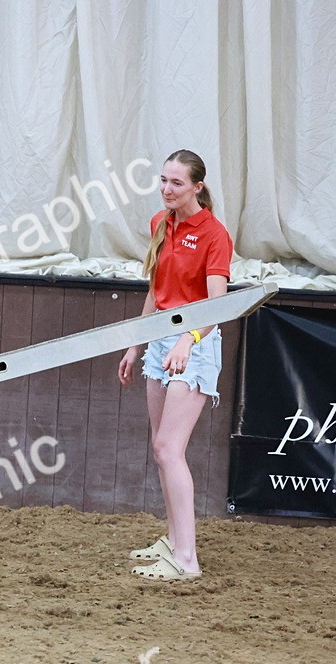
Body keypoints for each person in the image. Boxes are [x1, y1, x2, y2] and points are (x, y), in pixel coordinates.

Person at [118, 150, 233, 581]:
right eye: (163, 180)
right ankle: (172, 541)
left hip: (196, 342)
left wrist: (188, 339)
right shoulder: (160, 223)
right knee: (161, 450)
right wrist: (135, 344)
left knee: (170, 449)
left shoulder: (214, 234)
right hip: (161, 340)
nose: (167, 189)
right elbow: (156, 289)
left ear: (197, 187)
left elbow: (216, 303)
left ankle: (187, 559)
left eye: (177, 183)